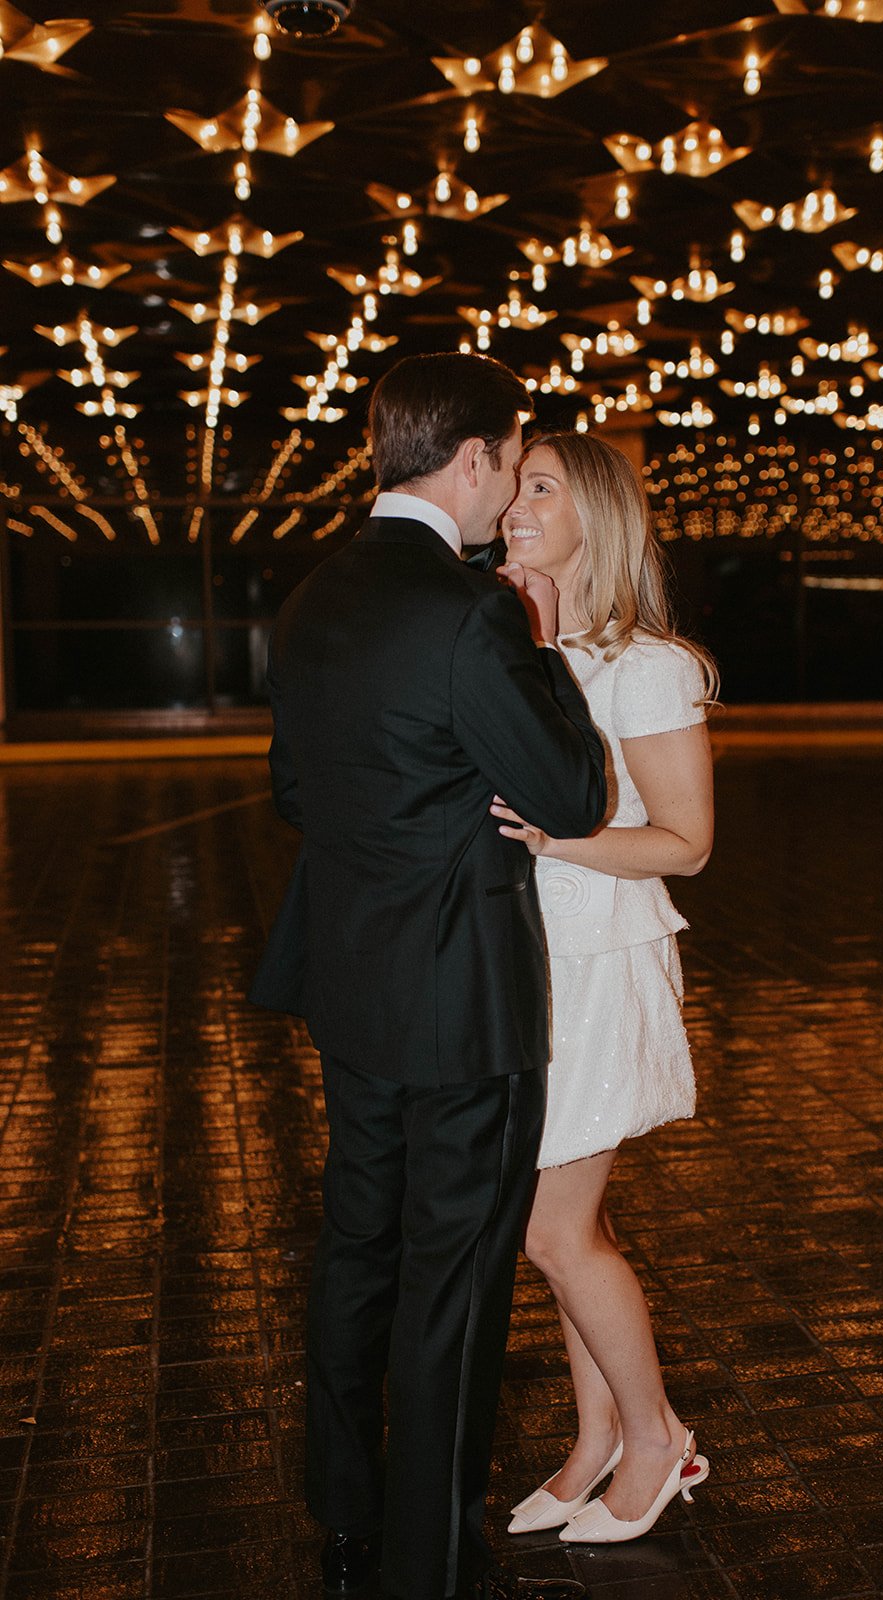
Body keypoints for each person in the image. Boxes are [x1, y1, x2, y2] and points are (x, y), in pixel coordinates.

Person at [249, 355, 607, 1600]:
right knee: (450, 1283)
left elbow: (296, 789)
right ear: (470, 459)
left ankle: (346, 1516)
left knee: (358, 1248)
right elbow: (570, 793)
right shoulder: (471, 613)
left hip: (351, 983)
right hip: (464, 999)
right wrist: (546, 654)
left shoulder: (309, 600)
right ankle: (429, 1559)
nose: (510, 483)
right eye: (510, 458)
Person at [491, 432, 717, 1545]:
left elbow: (686, 842)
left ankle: (655, 1438)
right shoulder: (526, 649)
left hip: (602, 962)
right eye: (516, 484)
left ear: (597, 517)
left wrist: (561, 837)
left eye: (541, 487)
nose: (513, 502)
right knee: (568, 1223)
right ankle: (596, 1443)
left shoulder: (649, 664)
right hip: (529, 963)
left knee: (553, 1229)